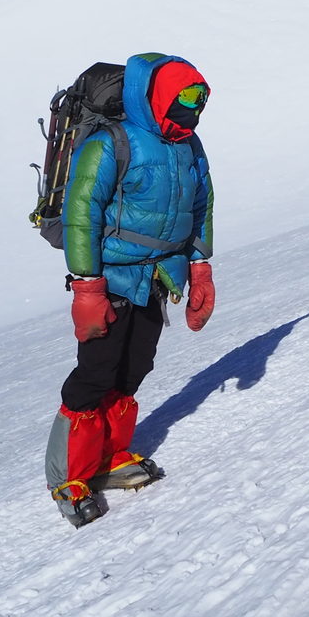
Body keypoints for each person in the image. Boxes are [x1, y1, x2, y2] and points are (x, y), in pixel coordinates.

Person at [44, 52, 216, 528]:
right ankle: (70, 476)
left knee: (135, 366)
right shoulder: (109, 144)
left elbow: (202, 204)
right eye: (183, 98)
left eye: (200, 99)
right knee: (96, 371)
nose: (192, 110)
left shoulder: (188, 145)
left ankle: (111, 457)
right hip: (109, 276)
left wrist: (200, 268)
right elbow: (82, 215)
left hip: (158, 276)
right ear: (154, 95)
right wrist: (86, 287)